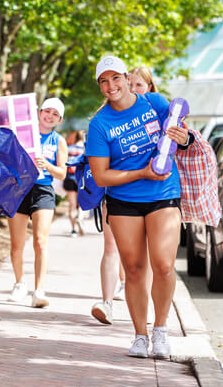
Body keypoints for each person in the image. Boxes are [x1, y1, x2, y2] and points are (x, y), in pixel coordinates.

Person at [87, 56, 192, 359]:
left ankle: (161, 330)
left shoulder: (154, 103)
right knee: (133, 270)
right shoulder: (99, 124)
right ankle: (139, 335)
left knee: (163, 265)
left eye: (115, 78)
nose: (111, 86)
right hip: (123, 201)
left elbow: (180, 134)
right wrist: (141, 173)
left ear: (126, 76)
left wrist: (182, 137)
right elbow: (101, 175)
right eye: (103, 82)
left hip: (163, 193)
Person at [90, 66, 158, 324]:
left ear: (149, 88)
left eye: (141, 85)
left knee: (148, 258)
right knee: (111, 248)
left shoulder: (156, 112)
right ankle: (106, 303)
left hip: (155, 197)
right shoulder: (103, 118)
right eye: (133, 83)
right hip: (117, 194)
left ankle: (147, 307)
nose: (135, 88)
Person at [7, 97, 68, 307]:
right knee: (17, 243)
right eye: (47, 111)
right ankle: (19, 283)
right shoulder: (23, 133)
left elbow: (62, 173)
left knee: (40, 241)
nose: (49, 116)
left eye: (55, 114)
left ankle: (39, 290)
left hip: (43, 190)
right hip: (19, 188)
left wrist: (47, 166)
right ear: (39, 112)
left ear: (59, 120)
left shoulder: (58, 141)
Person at [64, 130, 85, 237]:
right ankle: (79, 218)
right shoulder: (85, 149)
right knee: (81, 204)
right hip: (81, 179)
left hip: (69, 178)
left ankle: (73, 230)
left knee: (72, 205)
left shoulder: (69, 148)